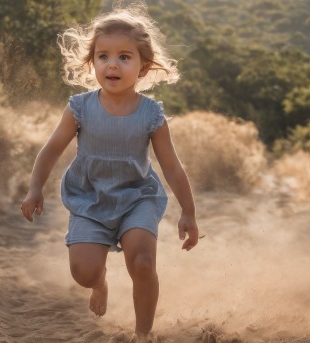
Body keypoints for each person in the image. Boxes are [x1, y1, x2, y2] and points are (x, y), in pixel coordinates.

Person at [20, 2, 199, 341]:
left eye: (124, 57)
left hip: (137, 199)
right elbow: (51, 150)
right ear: (92, 63)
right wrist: (34, 188)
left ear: (143, 68)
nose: (112, 64)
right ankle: (99, 282)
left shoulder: (151, 115)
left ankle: (142, 334)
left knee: (143, 263)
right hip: (90, 198)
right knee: (83, 272)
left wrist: (188, 212)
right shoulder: (79, 108)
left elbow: (172, 167)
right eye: (103, 56)